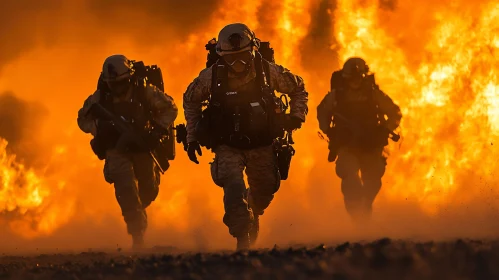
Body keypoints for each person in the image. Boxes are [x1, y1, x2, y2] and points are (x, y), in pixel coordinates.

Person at [183, 23, 308, 250]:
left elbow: (298, 88)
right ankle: (242, 237)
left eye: (242, 56)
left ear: (253, 50)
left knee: (266, 189)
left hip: (262, 143)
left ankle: (253, 211)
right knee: (232, 186)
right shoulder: (211, 76)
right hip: (227, 144)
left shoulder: (268, 71)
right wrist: (191, 137)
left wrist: (297, 116)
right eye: (231, 58)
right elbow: (190, 100)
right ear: (222, 56)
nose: (238, 63)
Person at [77, 54, 178, 248]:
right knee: (125, 187)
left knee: (148, 191)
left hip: (142, 146)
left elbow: (170, 109)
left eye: (121, 83)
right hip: (116, 148)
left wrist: (156, 131)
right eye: (112, 84)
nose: (116, 88)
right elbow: (82, 119)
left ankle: (139, 214)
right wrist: (100, 127)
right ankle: (137, 234)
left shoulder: (144, 92)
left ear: (129, 78)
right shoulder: (101, 97)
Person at [317, 57, 402, 223]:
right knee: (351, 179)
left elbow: (394, 112)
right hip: (347, 145)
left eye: (359, 77)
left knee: (372, 181)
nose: (355, 82)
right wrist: (330, 132)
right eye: (352, 78)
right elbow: (322, 112)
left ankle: (365, 208)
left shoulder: (373, 94)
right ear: (347, 78)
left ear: (364, 76)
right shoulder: (337, 95)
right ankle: (356, 217)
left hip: (370, 145)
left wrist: (385, 129)